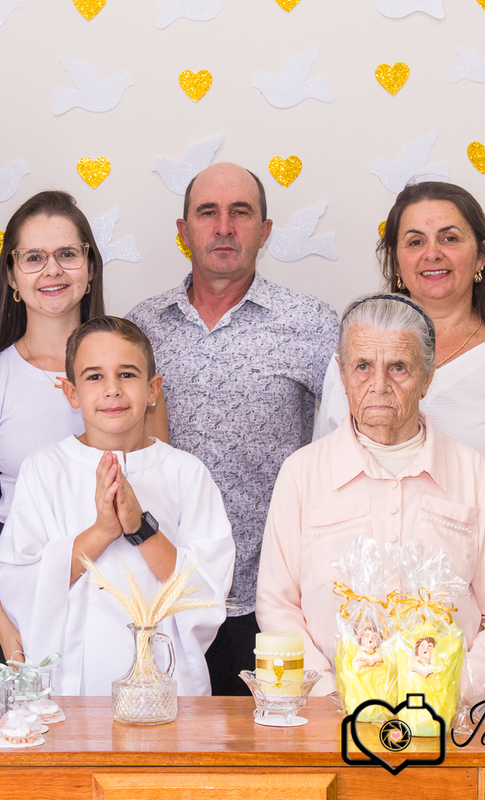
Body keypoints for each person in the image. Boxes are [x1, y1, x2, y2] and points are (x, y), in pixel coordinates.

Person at [313, 181, 485, 706]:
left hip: (481, 609)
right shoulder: (350, 363)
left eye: (450, 238)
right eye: (415, 240)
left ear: (480, 256)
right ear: (395, 260)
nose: (432, 253)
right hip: (360, 609)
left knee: (471, 752)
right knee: (359, 754)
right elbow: (324, 487)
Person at [257, 293, 485, 704]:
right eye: (363, 366)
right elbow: (277, 606)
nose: (379, 385)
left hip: (456, 721)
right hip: (331, 718)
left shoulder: (473, 473)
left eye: (399, 367)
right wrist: (333, 697)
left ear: (428, 377)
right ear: (342, 374)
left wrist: (444, 695)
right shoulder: (302, 473)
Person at [127, 162, 338, 696]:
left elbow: (347, 443)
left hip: (274, 604)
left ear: (265, 231)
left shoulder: (312, 324)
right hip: (161, 595)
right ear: (184, 231)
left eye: (240, 212)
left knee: (276, 747)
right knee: (163, 747)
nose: (224, 227)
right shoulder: (140, 327)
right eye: (208, 212)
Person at [0, 316, 235, 694]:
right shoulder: (45, 469)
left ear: (152, 389)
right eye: (94, 377)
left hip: (166, 687)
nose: (112, 390)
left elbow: (207, 594)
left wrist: (141, 529)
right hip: (71, 688)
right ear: (71, 393)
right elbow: (19, 583)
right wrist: (102, 531)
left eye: (127, 374)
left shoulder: (187, 473)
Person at [0, 190, 106, 665]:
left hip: (115, 581)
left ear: (90, 268)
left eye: (67, 254)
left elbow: (159, 485)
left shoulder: (130, 370)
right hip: (18, 589)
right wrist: (4, 626)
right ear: (11, 276)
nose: (52, 270)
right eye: (33, 258)